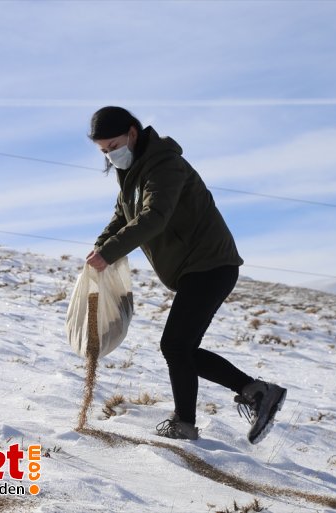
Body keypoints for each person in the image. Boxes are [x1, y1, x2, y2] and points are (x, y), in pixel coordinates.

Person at [86, 106, 286, 444]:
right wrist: (98, 250)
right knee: (181, 347)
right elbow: (121, 218)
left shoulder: (164, 165)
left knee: (175, 345)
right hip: (197, 269)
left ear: (133, 133)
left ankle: (186, 423)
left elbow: (155, 217)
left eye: (115, 145)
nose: (111, 155)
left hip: (211, 265)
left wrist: (109, 254)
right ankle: (256, 392)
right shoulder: (131, 176)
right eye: (104, 151)